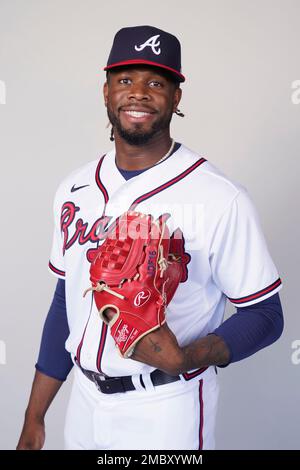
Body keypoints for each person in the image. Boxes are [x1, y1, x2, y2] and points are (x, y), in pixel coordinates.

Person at [17, 25, 283, 450]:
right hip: (84, 404)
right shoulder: (74, 187)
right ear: (106, 92)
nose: (138, 92)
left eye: (155, 83)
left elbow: (267, 316)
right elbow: (62, 302)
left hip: (165, 406)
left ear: (176, 98)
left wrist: (188, 358)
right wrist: (35, 416)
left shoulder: (220, 197)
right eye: (125, 80)